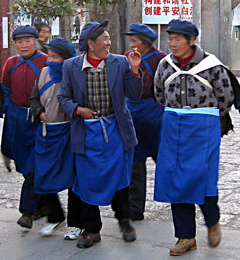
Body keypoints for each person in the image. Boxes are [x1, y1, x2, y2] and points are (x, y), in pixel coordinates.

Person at [58, 20, 143, 248]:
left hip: (115, 130)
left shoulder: (120, 63)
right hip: (86, 133)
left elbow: (134, 95)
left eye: (108, 38)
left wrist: (135, 70)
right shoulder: (71, 67)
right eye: (104, 39)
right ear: (90, 44)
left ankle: (125, 222)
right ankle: (92, 230)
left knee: (119, 179)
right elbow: (63, 98)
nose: (109, 42)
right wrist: (79, 110)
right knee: (87, 182)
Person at [153, 19, 234, 256]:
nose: (173, 43)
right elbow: (158, 94)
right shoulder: (165, 65)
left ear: (191, 40)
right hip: (172, 128)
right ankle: (186, 237)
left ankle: (212, 222)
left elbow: (226, 98)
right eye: (170, 38)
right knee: (175, 181)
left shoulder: (212, 66)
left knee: (203, 178)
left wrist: (203, 117)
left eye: (178, 39)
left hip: (203, 130)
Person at [29, 37, 84, 239]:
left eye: (55, 57)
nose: (50, 60)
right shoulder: (43, 73)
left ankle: (75, 223)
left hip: (69, 134)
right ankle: (55, 216)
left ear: (67, 59)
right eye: (49, 56)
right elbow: (34, 98)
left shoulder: (76, 75)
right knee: (43, 175)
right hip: (46, 133)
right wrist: (39, 113)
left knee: (72, 179)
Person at [1, 25, 48, 229]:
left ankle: (27, 211)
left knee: (34, 166)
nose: (23, 45)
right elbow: (4, 89)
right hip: (16, 119)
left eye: (27, 41)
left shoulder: (45, 61)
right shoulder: (11, 63)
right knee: (23, 163)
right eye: (19, 42)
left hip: (38, 120)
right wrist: (7, 110)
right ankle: (42, 206)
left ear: (35, 41)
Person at [123, 23, 166, 220]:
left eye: (135, 41)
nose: (132, 45)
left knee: (165, 160)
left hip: (155, 113)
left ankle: (176, 198)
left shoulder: (162, 60)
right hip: (132, 113)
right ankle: (135, 208)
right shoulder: (127, 58)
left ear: (146, 43)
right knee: (135, 163)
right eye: (131, 41)